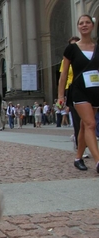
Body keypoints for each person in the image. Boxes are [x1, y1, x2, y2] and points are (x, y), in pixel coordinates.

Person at [58, 14, 99, 173]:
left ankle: (78, 158)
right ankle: (97, 160)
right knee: (91, 124)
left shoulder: (97, 48)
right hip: (78, 91)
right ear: (78, 27)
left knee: (84, 126)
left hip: (95, 90)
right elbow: (63, 74)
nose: (84, 25)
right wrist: (61, 96)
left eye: (87, 22)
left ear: (92, 26)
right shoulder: (71, 49)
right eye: (81, 23)